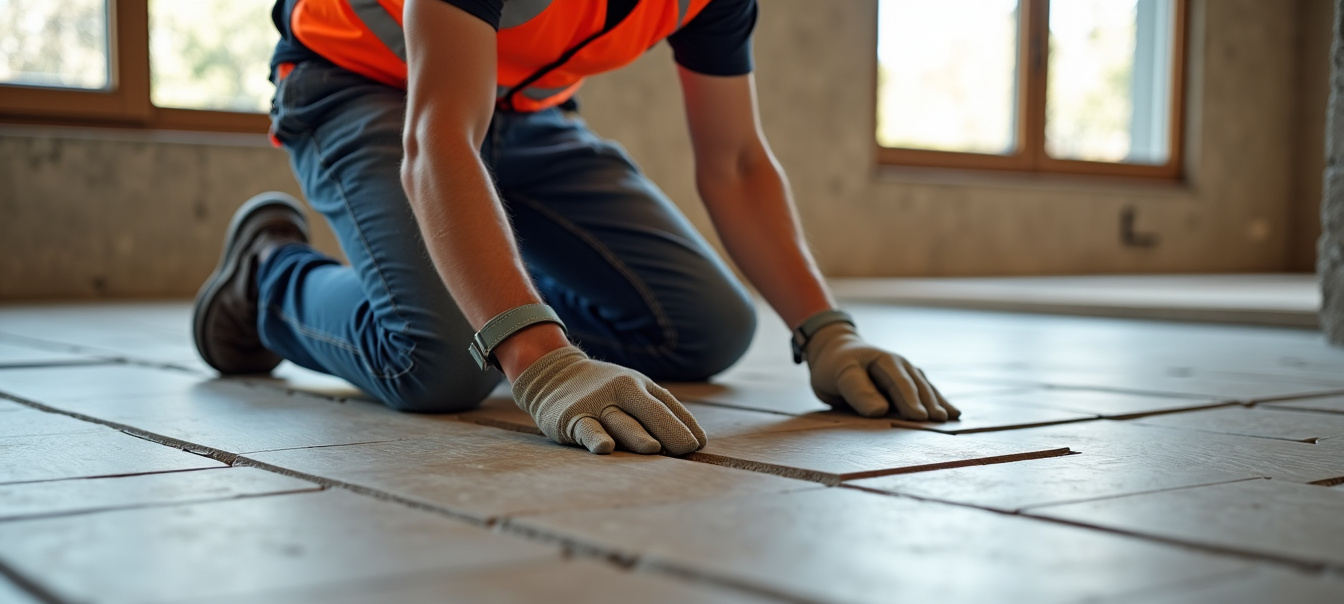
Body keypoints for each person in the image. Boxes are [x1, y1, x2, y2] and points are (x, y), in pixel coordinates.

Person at [192, 0, 959, 456]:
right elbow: (437, 140)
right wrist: (539, 359)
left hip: (527, 114)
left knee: (707, 328)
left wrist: (827, 331)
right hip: (359, 87)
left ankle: (492, 289)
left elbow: (735, 162)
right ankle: (266, 278)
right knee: (443, 364)